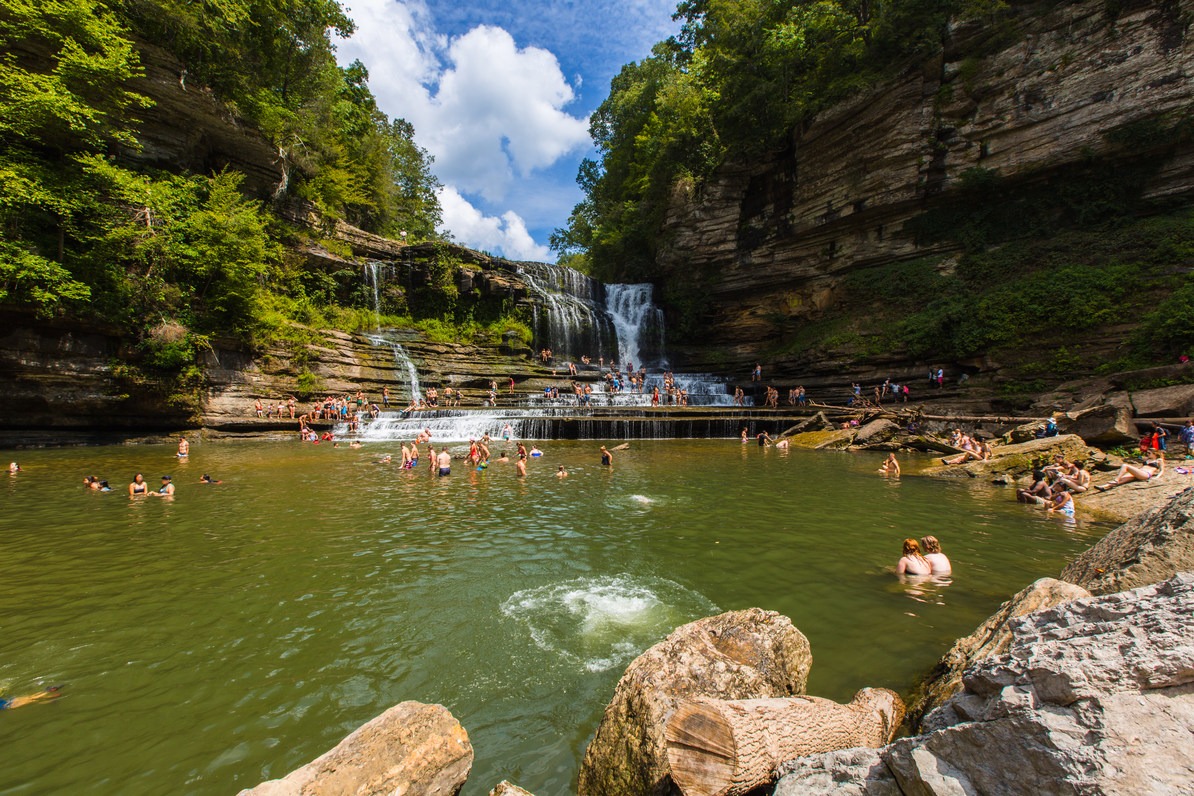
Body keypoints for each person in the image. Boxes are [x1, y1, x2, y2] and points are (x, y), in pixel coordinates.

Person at [1098, 451, 1164, 489]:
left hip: (1145, 474)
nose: (1147, 454)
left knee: (1125, 465)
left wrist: (1157, 477)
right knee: (1123, 479)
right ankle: (1104, 487)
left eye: (1149, 453)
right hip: (1139, 472)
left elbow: (1162, 470)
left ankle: (1116, 479)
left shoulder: (1159, 460)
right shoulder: (1147, 459)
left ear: (1154, 454)